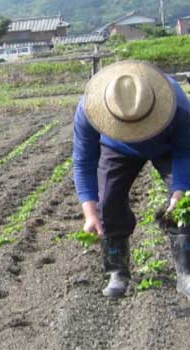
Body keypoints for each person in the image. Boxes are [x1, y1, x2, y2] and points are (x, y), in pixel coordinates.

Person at [73, 60, 190, 298]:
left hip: (165, 145)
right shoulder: (89, 109)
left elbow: (186, 151)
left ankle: (186, 272)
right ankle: (117, 271)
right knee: (108, 201)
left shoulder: (177, 105)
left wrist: (180, 192)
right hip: (117, 148)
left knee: (187, 203)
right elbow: (84, 161)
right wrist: (90, 212)